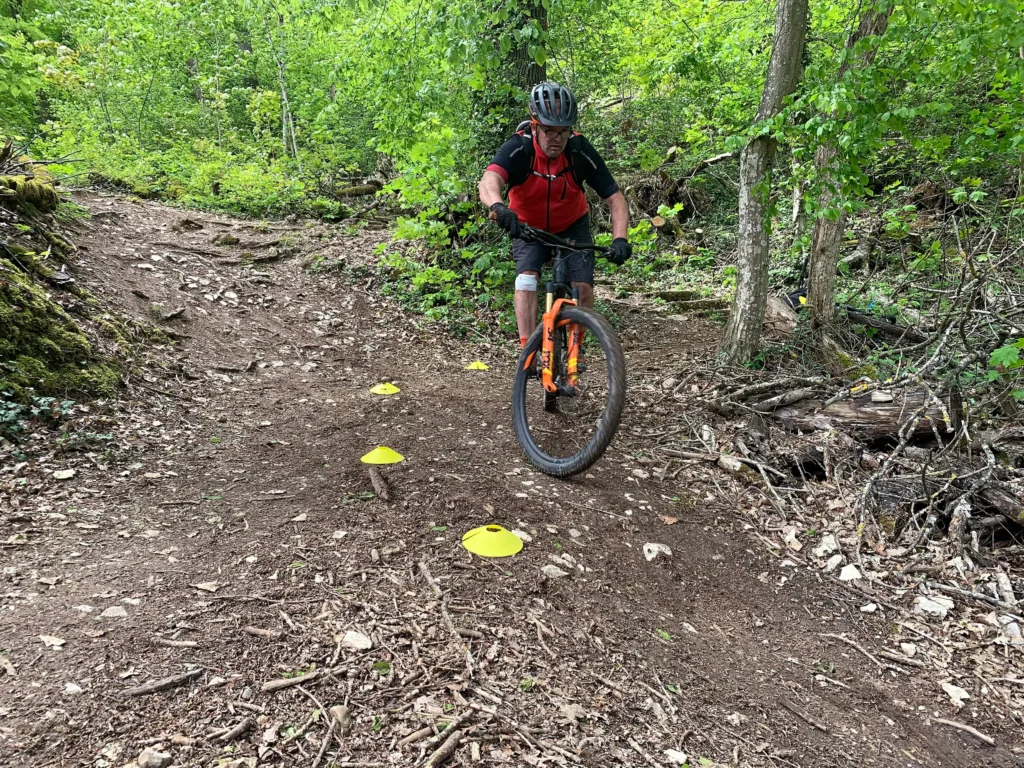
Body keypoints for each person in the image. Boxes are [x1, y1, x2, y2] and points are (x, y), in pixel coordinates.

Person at [477, 82, 631, 348]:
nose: (556, 138)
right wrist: (498, 207)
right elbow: (489, 180)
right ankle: (527, 350)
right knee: (525, 280)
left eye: (563, 131)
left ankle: (575, 351)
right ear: (535, 126)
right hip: (528, 226)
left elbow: (615, 199)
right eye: (549, 131)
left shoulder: (579, 150)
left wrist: (620, 239)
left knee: (582, 287)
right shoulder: (518, 148)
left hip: (572, 224)